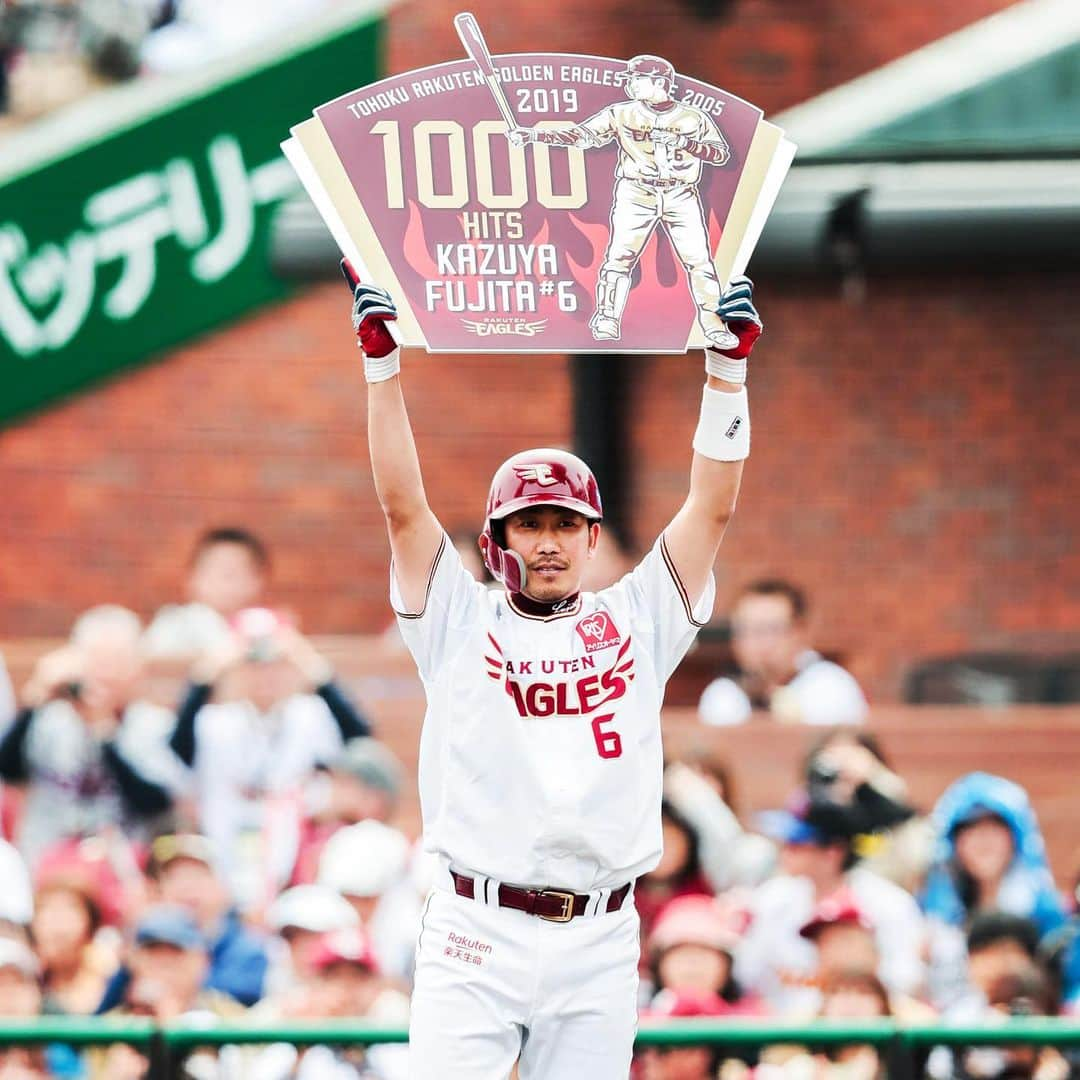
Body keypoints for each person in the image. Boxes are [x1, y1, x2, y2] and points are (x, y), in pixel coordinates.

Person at [342, 258, 762, 1080]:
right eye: (528, 523)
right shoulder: (457, 621)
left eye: (565, 523)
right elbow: (402, 506)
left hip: (601, 931)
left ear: (591, 536)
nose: (547, 540)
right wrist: (381, 366)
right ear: (497, 540)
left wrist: (728, 374)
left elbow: (711, 505)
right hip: (476, 923)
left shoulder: (638, 618)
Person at [167, 615, 372, 910]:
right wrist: (207, 673)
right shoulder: (215, 721)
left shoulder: (309, 714)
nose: (265, 676)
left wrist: (311, 664)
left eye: (275, 665)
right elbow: (178, 746)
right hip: (227, 850)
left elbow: (358, 738)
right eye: (253, 666)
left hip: (292, 859)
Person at [0, 606, 178, 867]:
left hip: (124, 868)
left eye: (117, 663)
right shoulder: (51, 719)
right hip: (49, 867)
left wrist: (104, 734)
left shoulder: (153, 725)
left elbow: (156, 804)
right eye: (97, 662)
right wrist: (33, 701)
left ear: (137, 668)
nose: (106, 674)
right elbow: (8, 771)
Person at [735, 792, 926, 1015]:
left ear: (832, 852)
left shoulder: (889, 903)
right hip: (788, 1032)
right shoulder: (772, 898)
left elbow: (907, 980)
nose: (784, 851)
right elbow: (749, 977)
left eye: (796, 843)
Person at [698, 579, 868, 726]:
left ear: (800, 632)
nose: (761, 644)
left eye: (771, 630)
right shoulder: (722, 695)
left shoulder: (831, 687)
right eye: (748, 630)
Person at [920, 773, 1066, 937]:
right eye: (971, 829)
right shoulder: (930, 915)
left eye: (995, 827)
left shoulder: (1047, 916)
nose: (984, 840)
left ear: (1017, 839)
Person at [143, 525, 270, 662]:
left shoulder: (265, 628)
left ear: (258, 581)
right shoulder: (176, 623)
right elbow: (151, 660)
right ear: (193, 578)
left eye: (237, 573)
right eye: (222, 573)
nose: (228, 585)